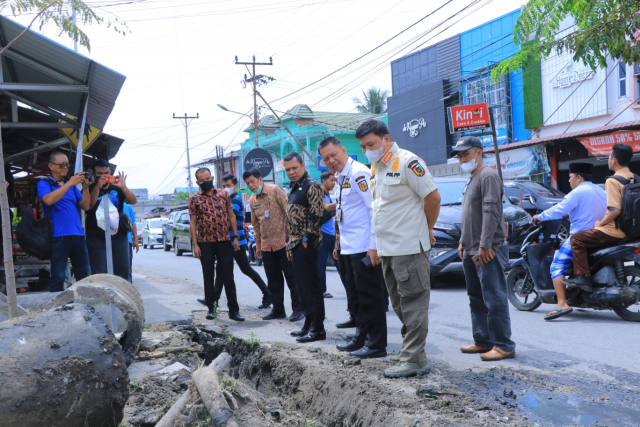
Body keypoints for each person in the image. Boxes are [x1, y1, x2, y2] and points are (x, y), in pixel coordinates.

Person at [360, 119, 441, 377]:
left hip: (409, 246)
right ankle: (410, 350)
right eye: (362, 147)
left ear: (386, 138)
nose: (367, 151)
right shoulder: (377, 168)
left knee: (414, 302)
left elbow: (433, 198)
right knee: (399, 303)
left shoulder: (407, 162)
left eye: (371, 144)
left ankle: (416, 359)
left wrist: (427, 228)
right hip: (389, 249)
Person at [319, 136, 388, 359]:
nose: (330, 160)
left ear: (344, 150)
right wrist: (339, 244)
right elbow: (343, 213)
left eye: (333, 155)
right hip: (348, 248)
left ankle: (376, 344)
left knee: (370, 297)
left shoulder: (359, 172)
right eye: (325, 158)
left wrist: (374, 246)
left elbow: (373, 211)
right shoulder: (341, 176)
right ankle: (361, 337)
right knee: (356, 298)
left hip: (363, 247)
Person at [452, 136, 515, 362]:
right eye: (459, 156)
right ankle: (483, 340)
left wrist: (485, 244)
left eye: (466, 154)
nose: (462, 159)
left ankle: (503, 345)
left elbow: (491, 212)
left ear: (479, 152)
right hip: (471, 248)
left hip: (487, 248)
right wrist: (462, 241)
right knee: (476, 296)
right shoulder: (473, 178)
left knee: (494, 297)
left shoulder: (488, 176)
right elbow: (470, 215)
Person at [531, 163, 606, 320]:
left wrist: (540, 216)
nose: (569, 180)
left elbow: (559, 209)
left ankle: (562, 303)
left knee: (556, 266)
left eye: (570, 177)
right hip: (599, 235)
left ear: (579, 177)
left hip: (579, 236)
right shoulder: (601, 191)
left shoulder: (577, 192)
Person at [564, 143, 637, 291]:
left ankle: (583, 277)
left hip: (614, 230)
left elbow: (614, 210)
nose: (609, 159)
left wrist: (600, 223)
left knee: (576, 239)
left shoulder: (612, 181)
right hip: (632, 230)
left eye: (610, 156)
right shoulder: (635, 178)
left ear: (614, 161)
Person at [243, 169, 303, 321]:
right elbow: (255, 225)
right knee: (273, 280)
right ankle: (278, 310)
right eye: (248, 183)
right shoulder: (252, 199)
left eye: (253, 181)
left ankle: (298, 310)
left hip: (284, 243)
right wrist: (258, 245)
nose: (251, 185)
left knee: (292, 278)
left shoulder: (276, 190)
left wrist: (292, 241)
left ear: (260, 179)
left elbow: (290, 214)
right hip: (266, 245)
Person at [283, 152, 329, 343]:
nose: (291, 172)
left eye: (294, 168)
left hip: (307, 242)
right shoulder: (294, 188)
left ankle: (318, 328)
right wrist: (288, 243)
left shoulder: (312, 185)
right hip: (294, 242)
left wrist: (306, 237)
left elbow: (318, 214)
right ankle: (308, 324)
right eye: (287, 170)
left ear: (302, 165)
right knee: (302, 287)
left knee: (311, 286)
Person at [189, 167, 243, 321]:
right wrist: (195, 245)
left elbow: (231, 216)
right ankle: (211, 309)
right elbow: (193, 223)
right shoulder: (194, 199)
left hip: (224, 240)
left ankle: (234, 310)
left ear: (212, 178)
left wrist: (235, 237)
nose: (206, 182)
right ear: (197, 182)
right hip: (205, 242)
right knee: (208, 276)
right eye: (202, 180)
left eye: (208, 179)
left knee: (228, 276)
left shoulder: (223, 194)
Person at [214, 173, 271, 309]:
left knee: (244, 269)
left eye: (228, 186)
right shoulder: (227, 200)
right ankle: (212, 300)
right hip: (228, 241)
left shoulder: (235, 200)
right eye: (223, 186)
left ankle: (267, 293)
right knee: (222, 270)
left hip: (237, 241)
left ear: (235, 186)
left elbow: (227, 219)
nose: (225, 188)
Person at [37, 151, 91, 292]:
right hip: (58, 237)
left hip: (78, 236)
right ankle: (57, 309)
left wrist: (85, 189)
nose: (65, 168)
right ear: (51, 166)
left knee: (84, 275)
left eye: (67, 165)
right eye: (61, 165)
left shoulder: (72, 186)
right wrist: (70, 183)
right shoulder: (44, 183)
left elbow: (85, 206)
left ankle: (85, 307)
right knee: (58, 276)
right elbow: (48, 200)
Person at [86, 159, 137, 282]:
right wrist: (97, 187)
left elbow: (133, 201)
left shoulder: (117, 188)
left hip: (118, 236)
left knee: (123, 271)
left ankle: (121, 298)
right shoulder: (89, 188)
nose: (104, 177)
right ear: (93, 174)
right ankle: (102, 300)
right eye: (100, 174)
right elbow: (89, 206)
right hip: (96, 237)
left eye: (107, 173)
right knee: (100, 272)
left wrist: (124, 187)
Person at [318, 171, 338, 299]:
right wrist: (342, 201)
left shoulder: (328, 194)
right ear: (324, 181)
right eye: (332, 180)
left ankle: (350, 288)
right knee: (321, 263)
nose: (334, 183)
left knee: (339, 262)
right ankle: (322, 290)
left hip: (331, 234)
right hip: (323, 234)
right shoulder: (319, 193)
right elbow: (327, 208)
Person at [123, 202, 139, 283]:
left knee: (127, 269)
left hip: (127, 242)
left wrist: (135, 241)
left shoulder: (127, 207)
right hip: (112, 242)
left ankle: (129, 288)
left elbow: (133, 224)